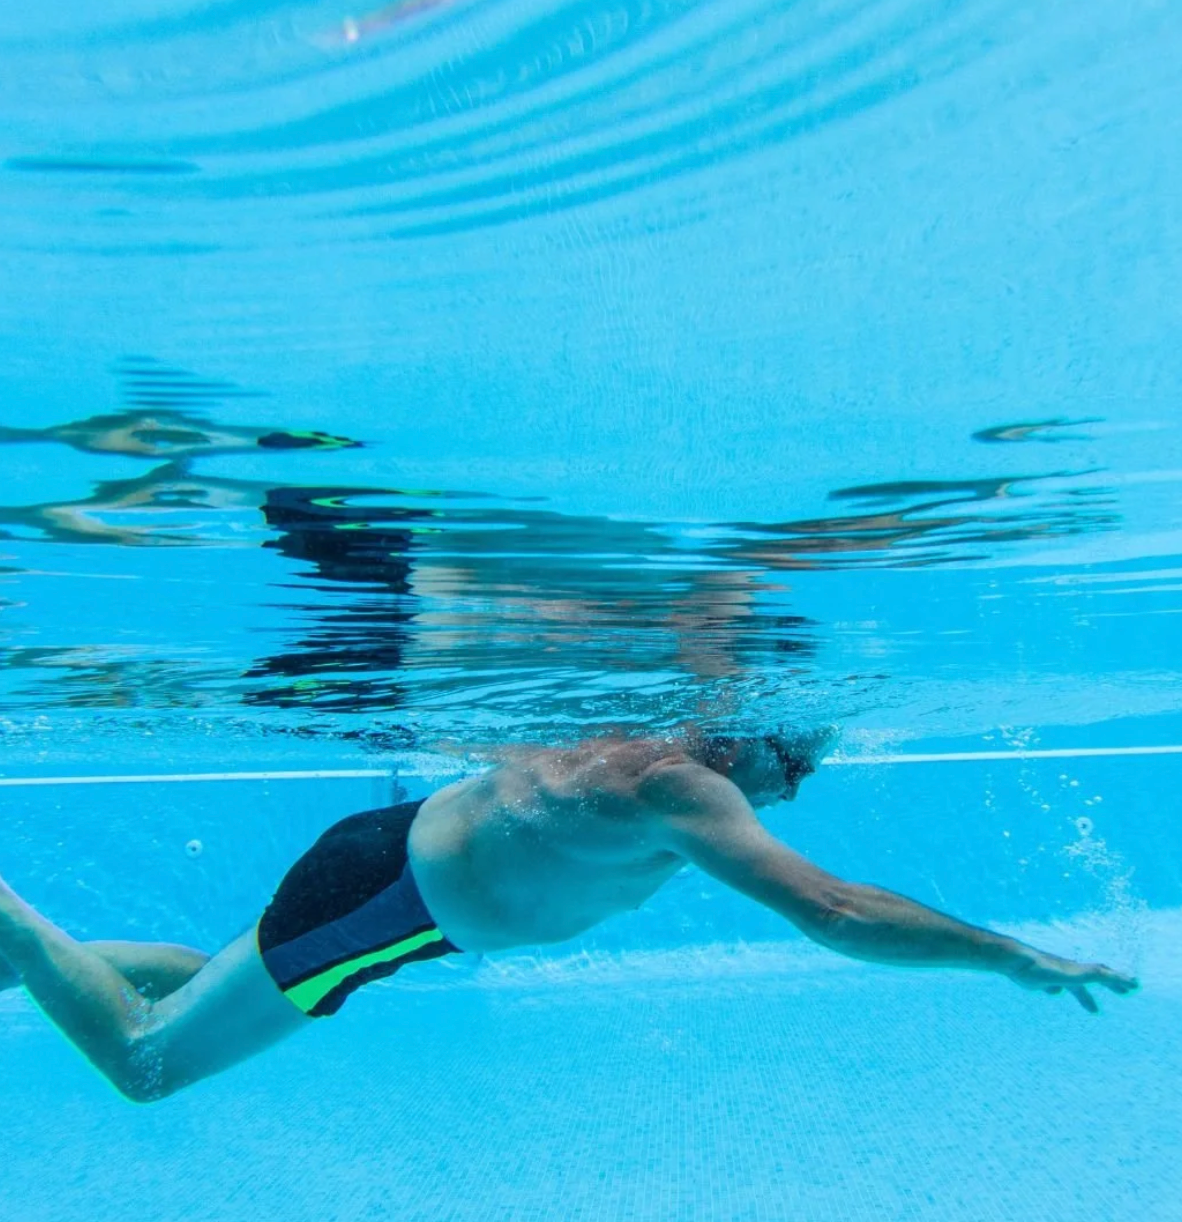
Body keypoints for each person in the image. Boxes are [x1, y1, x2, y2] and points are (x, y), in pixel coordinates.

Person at [0, 728, 1137, 1103]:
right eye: (799, 758)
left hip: (380, 883)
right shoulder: (687, 787)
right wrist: (1008, 956)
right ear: (752, 734)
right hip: (383, 902)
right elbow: (834, 910)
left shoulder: (636, 743)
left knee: (225, 980)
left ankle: (31, 961)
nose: (795, 783)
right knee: (147, 1061)